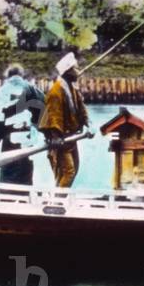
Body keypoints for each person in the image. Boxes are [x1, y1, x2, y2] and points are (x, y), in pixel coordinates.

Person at [0, 63, 45, 185]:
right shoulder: (31, 88)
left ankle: (7, 194)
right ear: (22, 75)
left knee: (8, 171)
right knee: (25, 173)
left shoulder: (2, 91)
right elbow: (44, 106)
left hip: (9, 140)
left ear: (7, 76)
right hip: (27, 140)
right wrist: (36, 125)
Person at [38, 52, 90, 188]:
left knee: (74, 169)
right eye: (76, 68)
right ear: (68, 71)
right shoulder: (56, 92)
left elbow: (81, 107)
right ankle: (58, 199)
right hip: (60, 138)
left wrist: (87, 122)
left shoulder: (72, 88)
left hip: (71, 137)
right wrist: (56, 136)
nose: (78, 71)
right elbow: (53, 116)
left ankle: (59, 195)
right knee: (68, 172)